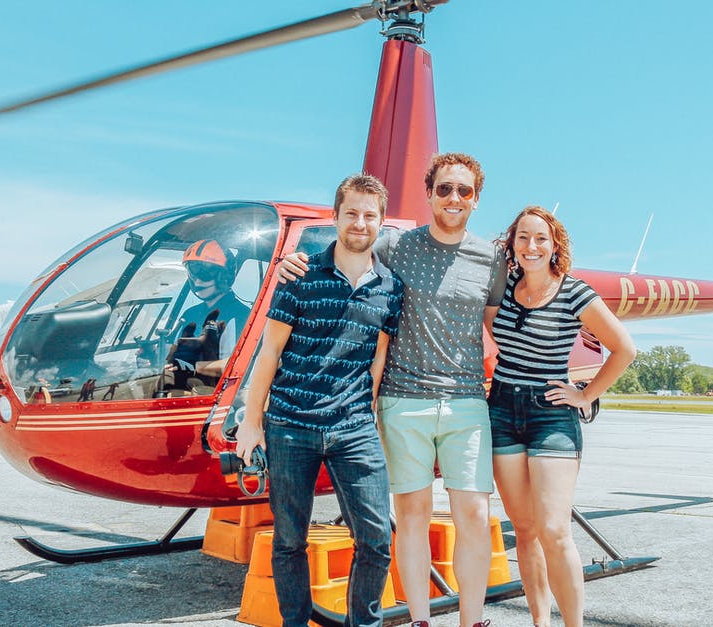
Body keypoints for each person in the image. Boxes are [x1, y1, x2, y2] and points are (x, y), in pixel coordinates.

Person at [280, 153, 505, 627]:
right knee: (413, 513)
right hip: (404, 399)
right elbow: (348, 243)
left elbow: (501, 325)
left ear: (477, 199)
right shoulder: (396, 245)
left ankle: (471, 620)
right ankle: (420, 619)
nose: (453, 198)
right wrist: (290, 263)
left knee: (472, 510)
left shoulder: (492, 257)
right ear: (428, 194)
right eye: (444, 188)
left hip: (466, 399)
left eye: (463, 191)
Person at [234, 173, 404, 627]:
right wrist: (252, 423)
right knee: (290, 539)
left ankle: (362, 624)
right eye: (351, 213)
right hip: (290, 424)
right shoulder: (301, 274)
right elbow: (268, 352)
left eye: (370, 215)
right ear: (335, 217)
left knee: (376, 539)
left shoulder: (390, 287)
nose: (360, 223)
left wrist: (375, 425)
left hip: (353, 427)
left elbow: (378, 362)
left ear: (381, 222)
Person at [485, 205, 636, 627]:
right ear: (512, 245)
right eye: (523, 238)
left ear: (554, 246)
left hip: (551, 414)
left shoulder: (574, 292)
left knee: (554, 530)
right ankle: (540, 622)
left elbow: (625, 349)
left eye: (541, 239)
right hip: (501, 409)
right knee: (526, 530)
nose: (531, 246)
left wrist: (586, 394)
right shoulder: (504, 285)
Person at [161, 239, 251, 391]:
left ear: (224, 275)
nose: (197, 278)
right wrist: (155, 355)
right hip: (183, 388)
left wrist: (193, 367)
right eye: (193, 271)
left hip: (215, 396)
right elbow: (176, 353)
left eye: (205, 272)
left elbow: (238, 364)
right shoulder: (190, 314)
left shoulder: (241, 316)